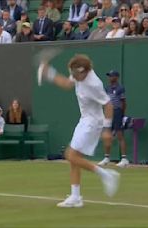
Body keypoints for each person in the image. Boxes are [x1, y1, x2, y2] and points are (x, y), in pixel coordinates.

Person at [38, 54, 120, 207]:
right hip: (84, 120)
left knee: (70, 155)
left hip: (93, 123)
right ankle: (76, 197)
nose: (74, 77)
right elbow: (67, 84)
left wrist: (107, 129)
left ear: (84, 72)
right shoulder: (78, 72)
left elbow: (108, 104)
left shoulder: (94, 84)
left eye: (76, 74)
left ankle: (107, 174)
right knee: (74, 159)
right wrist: (48, 71)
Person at [98, 70, 128, 168]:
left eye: (112, 76)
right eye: (109, 76)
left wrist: (122, 115)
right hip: (108, 113)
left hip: (117, 112)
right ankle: (106, 158)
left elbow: (123, 103)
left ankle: (124, 159)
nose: (110, 78)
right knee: (107, 135)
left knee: (120, 135)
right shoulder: (107, 88)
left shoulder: (120, 88)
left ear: (116, 77)